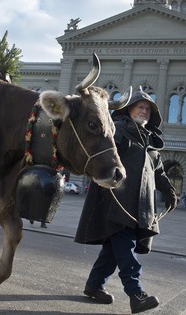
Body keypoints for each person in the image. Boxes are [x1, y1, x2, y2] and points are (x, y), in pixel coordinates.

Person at [75, 89, 177, 314]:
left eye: (147, 109)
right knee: (125, 248)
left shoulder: (150, 144)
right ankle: (136, 293)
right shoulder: (118, 131)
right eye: (140, 106)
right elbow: (102, 151)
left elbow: (158, 172)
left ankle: (94, 286)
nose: (144, 111)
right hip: (117, 203)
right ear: (128, 109)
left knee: (113, 250)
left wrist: (169, 191)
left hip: (139, 207)